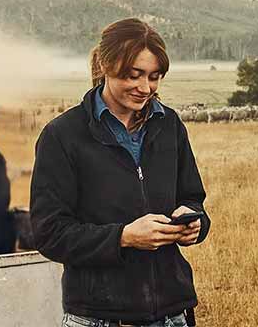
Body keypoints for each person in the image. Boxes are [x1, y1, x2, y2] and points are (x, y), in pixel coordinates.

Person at [30, 18, 210, 327]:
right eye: (134, 75)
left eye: (154, 77)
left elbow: (193, 198)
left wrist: (195, 223)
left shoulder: (170, 125)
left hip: (171, 313)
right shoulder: (62, 135)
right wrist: (123, 237)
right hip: (97, 316)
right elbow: (49, 233)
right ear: (105, 65)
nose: (145, 88)